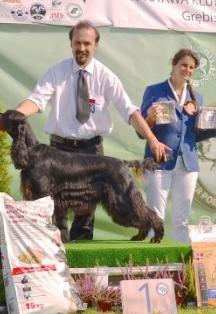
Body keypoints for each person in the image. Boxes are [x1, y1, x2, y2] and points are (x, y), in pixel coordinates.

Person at [13, 20, 169, 242]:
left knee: (85, 215)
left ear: (96, 45)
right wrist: (14, 117)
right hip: (60, 150)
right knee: (56, 213)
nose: (81, 48)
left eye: (87, 43)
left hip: (91, 151)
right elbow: (36, 100)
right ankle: (60, 256)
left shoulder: (106, 77)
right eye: (77, 42)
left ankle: (82, 261)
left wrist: (152, 139)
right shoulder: (57, 72)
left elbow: (130, 111)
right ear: (71, 43)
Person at [139, 48, 216, 243]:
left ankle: (180, 270)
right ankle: (152, 268)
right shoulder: (154, 91)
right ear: (174, 65)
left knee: (182, 221)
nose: (187, 69)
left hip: (188, 164)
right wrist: (150, 119)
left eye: (191, 67)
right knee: (155, 218)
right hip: (158, 162)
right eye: (184, 65)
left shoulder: (197, 97)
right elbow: (140, 130)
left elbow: (193, 136)